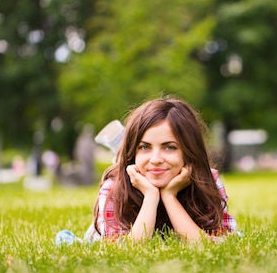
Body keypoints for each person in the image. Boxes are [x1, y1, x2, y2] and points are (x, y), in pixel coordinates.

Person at [89, 96, 237, 242]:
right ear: (134, 151)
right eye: (144, 147)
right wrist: (151, 195)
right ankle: (120, 147)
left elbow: (216, 244)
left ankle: (121, 143)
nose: (156, 159)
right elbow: (124, 252)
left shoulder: (207, 181)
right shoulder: (114, 187)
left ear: (189, 151)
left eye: (170, 147)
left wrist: (169, 196)